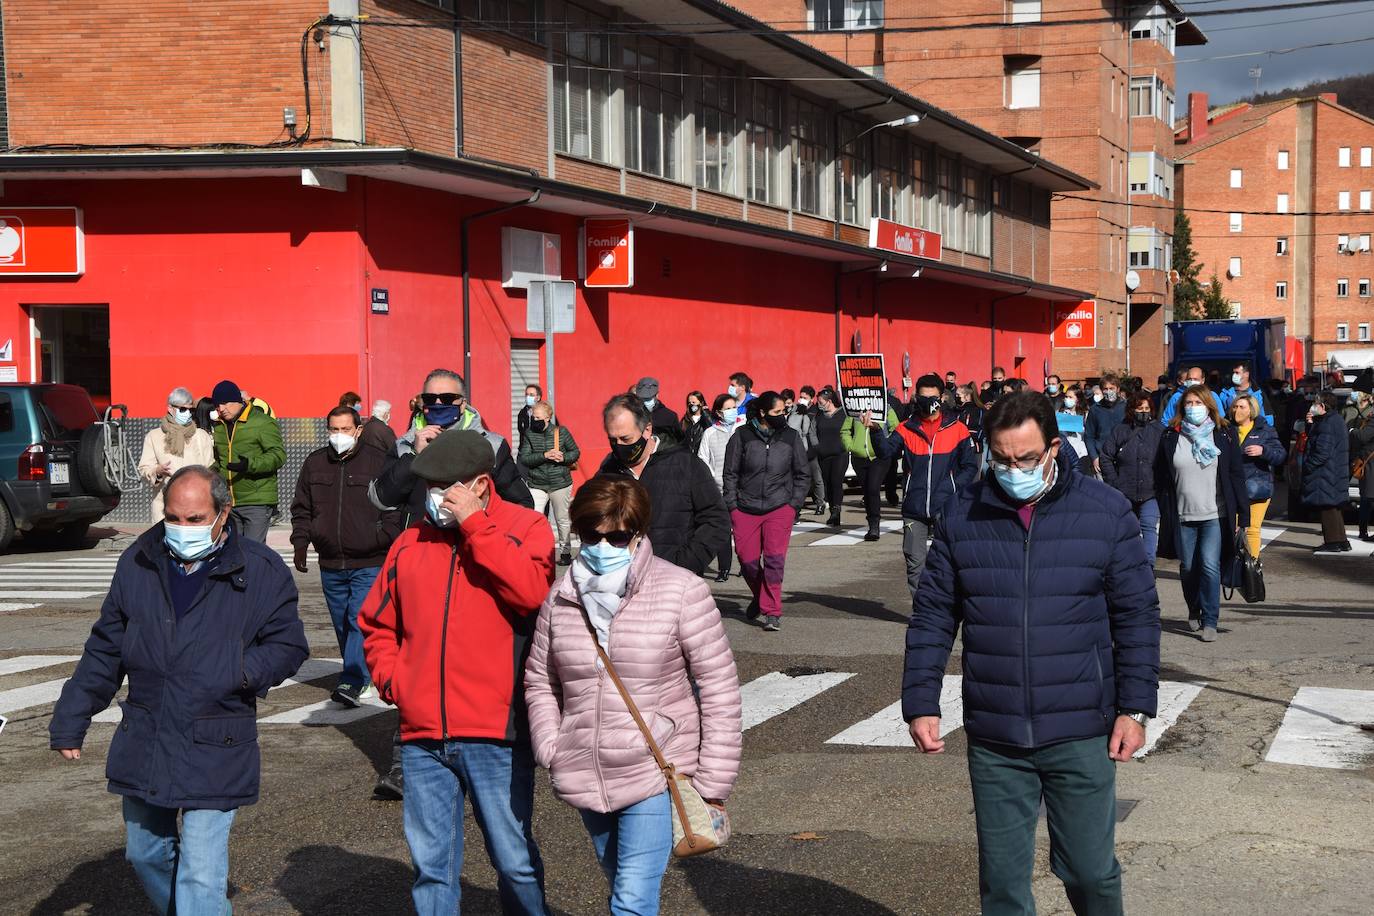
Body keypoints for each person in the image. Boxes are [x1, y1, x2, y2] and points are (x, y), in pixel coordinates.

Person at [904, 390, 1160, 916]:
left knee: (1089, 872)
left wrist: (1135, 708)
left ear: (1053, 449)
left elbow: (1136, 617)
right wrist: (921, 701)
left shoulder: (1105, 512)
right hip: (997, 735)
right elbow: (933, 615)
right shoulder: (962, 515)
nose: (1013, 468)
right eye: (1001, 458)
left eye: (1025, 458)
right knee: (1001, 885)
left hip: (1081, 728)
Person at [50, 466, 308, 916]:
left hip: (217, 737)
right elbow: (106, 648)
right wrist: (72, 717)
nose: (182, 529)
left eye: (195, 519)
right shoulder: (139, 560)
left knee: (200, 873)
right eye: (174, 518)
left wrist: (237, 671)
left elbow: (288, 645)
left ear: (223, 514)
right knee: (146, 853)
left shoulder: (260, 568)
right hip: (147, 734)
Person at [524, 477, 742, 915]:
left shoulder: (681, 590)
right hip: (585, 767)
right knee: (620, 885)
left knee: (631, 900)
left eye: (617, 535)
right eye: (592, 534)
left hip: (655, 770)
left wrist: (714, 783)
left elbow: (719, 688)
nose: (603, 545)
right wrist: (552, 745)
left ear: (638, 533)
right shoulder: (561, 597)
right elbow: (540, 680)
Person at [359, 430, 554, 915]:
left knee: (513, 861)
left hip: (497, 733)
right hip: (422, 735)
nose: (431, 497)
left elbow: (532, 594)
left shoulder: (528, 527)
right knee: (432, 868)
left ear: (480, 485)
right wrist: (395, 682)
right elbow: (376, 623)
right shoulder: (409, 542)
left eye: (443, 487)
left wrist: (476, 528)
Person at [290, 406, 402, 706]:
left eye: (344, 429)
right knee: (342, 622)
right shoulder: (315, 463)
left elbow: (394, 505)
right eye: (333, 429)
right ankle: (362, 670)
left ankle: (352, 679)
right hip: (330, 562)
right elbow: (302, 506)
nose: (338, 436)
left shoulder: (378, 462)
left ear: (358, 430)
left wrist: (384, 536)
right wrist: (301, 541)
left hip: (369, 560)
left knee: (357, 619)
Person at [370, 368, 534, 528]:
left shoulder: (492, 445)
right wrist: (414, 455)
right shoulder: (405, 445)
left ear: (463, 404)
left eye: (448, 398)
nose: (438, 403)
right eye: (430, 398)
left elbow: (521, 504)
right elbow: (380, 499)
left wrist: (487, 531)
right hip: (422, 546)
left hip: (474, 547)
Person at [598, 394, 729, 576]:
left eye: (626, 439)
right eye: (613, 440)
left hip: (676, 582)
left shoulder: (687, 465)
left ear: (647, 430)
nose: (619, 446)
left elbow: (716, 520)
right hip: (620, 583)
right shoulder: (607, 471)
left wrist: (686, 563)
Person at [873, 374, 979, 596]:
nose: (928, 402)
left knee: (948, 563)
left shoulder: (957, 428)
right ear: (915, 398)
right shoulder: (905, 428)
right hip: (914, 506)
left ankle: (947, 609)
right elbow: (885, 452)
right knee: (914, 563)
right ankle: (922, 612)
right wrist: (874, 430)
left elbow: (970, 467)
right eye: (923, 397)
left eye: (933, 397)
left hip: (947, 507)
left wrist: (951, 487)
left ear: (942, 397)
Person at [1156, 385, 1246, 641]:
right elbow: (1161, 476)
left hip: (1215, 514)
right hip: (1183, 515)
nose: (1193, 407)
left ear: (1209, 405)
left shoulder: (1224, 433)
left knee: (1209, 566)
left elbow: (1236, 474)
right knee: (1188, 568)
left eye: (1198, 402)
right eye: (1189, 403)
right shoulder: (1171, 436)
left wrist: (1244, 515)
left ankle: (1210, 619)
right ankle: (1194, 608)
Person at [722, 391, 809, 630]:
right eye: (777, 412)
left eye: (784, 411)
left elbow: (803, 473)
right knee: (747, 561)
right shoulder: (742, 436)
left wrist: (794, 505)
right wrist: (732, 504)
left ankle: (772, 612)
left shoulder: (790, 437)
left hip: (780, 507)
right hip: (744, 508)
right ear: (762, 413)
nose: (783, 416)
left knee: (774, 561)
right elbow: (730, 473)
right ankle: (761, 598)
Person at [211, 379, 286, 543]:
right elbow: (220, 461)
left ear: (237, 401)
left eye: (225, 403)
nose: (221, 409)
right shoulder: (219, 427)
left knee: (253, 551)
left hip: (256, 501)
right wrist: (208, 473)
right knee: (234, 551)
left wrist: (250, 465)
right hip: (229, 501)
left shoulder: (262, 422)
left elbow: (278, 455)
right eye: (217, 405)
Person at [1100, 392, 1166, 566]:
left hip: (1150, 491)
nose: (1144, 412)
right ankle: (1128, 564)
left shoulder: (1158, 430)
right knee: (1127, 530)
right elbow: (1106, 456)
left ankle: (1149, 565)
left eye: (1146, 408)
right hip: (1125, 490)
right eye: (1139, 408)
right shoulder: (1120, 430)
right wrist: (1114, 482)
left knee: (1149, 526)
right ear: (1132, 410)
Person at [137, 387, 216, 521]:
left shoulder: (201, 435)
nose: (187, 413)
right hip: (166, 505)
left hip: (197, 504)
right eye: (183, 409)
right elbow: (144, 468)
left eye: (191, 410)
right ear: (170, 408)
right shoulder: (154, 436)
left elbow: (210, 468)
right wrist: (158, 471)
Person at [519, 399, 581, 566]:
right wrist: (544, 455)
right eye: (533, 417)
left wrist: (564, 457)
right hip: (536, 483)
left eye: (538, 417)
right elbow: (524, 458)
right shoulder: (529, 434)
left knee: (562, 519)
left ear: (548, 418)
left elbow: (575, 452)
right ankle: (538, 552)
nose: (535, 420)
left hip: (560, 482)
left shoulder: (561, 432)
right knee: (535, 518)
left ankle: (565, 552)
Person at [1230, 394, 1286, 558]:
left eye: (1242, 407)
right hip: (1232, 488)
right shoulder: (1226, 429)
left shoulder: (1265, 430)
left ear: (1251, 410)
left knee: (1252, 529)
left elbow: (1280, 456)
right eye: (1235, 407)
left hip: (1257, 486)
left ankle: (1252, 567)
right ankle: (1234, 565)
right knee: (1231, 528)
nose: (1237, 410)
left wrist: (1264, 451)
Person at [842, 397, 898, 542]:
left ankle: (875, 526)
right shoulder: (854, 409)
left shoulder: (887, 408)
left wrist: (886, 446)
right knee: (867, 491)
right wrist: (851, 446)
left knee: (873, 488)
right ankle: (871, 522)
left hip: (879, 457)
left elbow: (896, 429)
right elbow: (845, 430)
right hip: (859, 457)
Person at [696, 393, 739, 582]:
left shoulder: (742, 429)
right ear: (719, 413)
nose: (732, 411)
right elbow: (703, 461)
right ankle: (724, 569)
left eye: (733, 407)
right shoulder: (710, 433)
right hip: (719, 490)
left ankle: (749, 565)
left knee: (744, 532)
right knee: (723, 530)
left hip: (742, 489)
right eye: (727, 409)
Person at [1302, 391, 1352, 553]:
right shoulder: (1333, 420)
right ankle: (1341, 540)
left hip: (1325, 472)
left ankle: (1332, 542)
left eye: (1315, 403)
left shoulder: (1327, 423)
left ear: (1322, 406)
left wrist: (1309, 465)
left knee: (1327, 506)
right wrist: (1311, 423)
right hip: (1333, 470)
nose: (1313, 406)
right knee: (1334, 506)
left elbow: (1322, 450)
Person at [812, 388, 848, 527]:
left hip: (840, 454)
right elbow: (812, 432)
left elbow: (849, 431)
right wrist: (817, 447)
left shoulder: (843, 415)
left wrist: (846, 445)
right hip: (823, 454)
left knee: (836, 481)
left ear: (829, 401)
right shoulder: (819, 416)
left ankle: (836, 511)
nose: (819, 404)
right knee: (827, 484)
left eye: (821, 402)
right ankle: (833, 511)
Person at [788, 386, 825, 514]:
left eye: (805, 398)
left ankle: (821, 503)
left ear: (811, 399)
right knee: (799, 478)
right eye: (801, 397)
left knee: (816, 478)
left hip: (811, 449)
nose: (802, 400)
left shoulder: (815, 411)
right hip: (798, 448)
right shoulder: (796, 410)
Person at [1085, 374, 1125, 473]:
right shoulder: (1095, 410)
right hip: (1102, 457)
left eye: (1112, 388)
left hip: (1124, 458)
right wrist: (1094, 457)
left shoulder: (1126, 407)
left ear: (1118, 389)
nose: (1108, 391)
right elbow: (1089, 436)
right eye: (1105, 389)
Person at [633, 377, 681, 447]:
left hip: (664, 455)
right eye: (643, 399)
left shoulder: (669, 416)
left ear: (657, 395)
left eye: (649, 398)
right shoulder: (633, 415)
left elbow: (679, 440)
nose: (646, 402)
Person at [1351, 395, 1374, 542]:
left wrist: (1352, 430)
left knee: (1367, 498)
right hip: (1370, 463)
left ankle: (1363, 530)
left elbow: (1363, 437)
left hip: (1370, 464)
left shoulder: (1372, 421)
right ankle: (1363, 530)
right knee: (1367, 498)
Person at [1056, 387, 1092, 474]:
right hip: (1065, 452)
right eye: (1066, 397)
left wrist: (1080, 426)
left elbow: (1089, 431)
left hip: (1080, 452)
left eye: (1070, 397)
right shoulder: (1059, 413)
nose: (1067, 399)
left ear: (1078, 399)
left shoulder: (1085, 413)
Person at [682, 389, 711, 456]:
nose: (691, 405)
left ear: (701, 403)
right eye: (689, 403)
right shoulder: (685, 420)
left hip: (702, 456)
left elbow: (711, 426)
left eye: (693, 402)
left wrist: (705, 412)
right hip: (688, 457)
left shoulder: (707, 417)